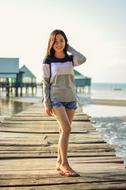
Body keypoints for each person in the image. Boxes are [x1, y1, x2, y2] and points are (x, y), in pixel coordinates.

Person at [42, 29, 86, 177]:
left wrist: (69, 48)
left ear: (65, 42)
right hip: (56, 99)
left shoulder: (71, 59)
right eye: (56, 41)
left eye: (62, 41)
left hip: (71, 99)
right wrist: (47, 103)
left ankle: (58, 162)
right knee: (66, 129)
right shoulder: (48, 61)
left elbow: (83, 58)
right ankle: (65, 164)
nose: (59, 44)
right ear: (51, 43)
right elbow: (46, 82)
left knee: (63, 131)